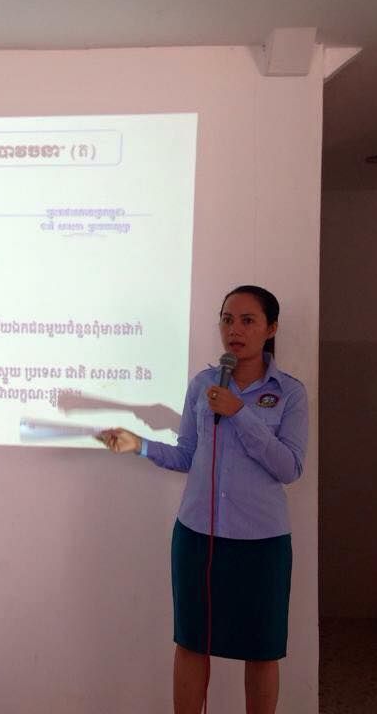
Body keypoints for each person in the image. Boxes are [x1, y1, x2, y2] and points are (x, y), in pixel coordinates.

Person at [99, 285, 308, 714]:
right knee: (192, 643)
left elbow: (289, 468)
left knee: (262, 649)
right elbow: (187, 455)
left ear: (271, 328)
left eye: (247, 320)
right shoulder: (202, 384)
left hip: (262, 543)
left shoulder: (290, 393)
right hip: (197, 536)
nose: (234, 330)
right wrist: (138, 445)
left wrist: (240, 413)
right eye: (227, 320)